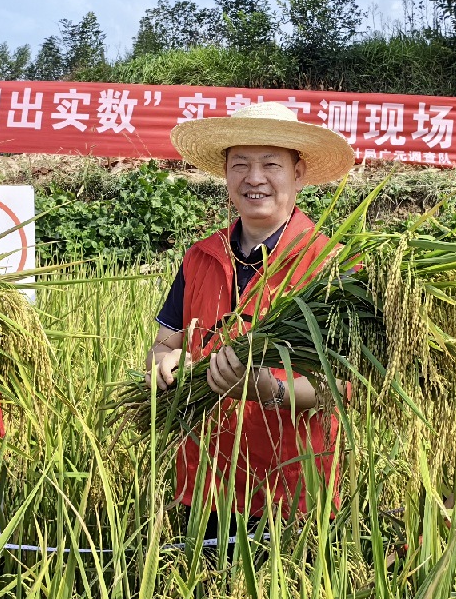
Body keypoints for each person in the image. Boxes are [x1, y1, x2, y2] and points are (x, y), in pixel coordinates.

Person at [148, 101, 356, 524]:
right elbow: (164, 342)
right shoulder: (199, 258)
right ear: (225, 174)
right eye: (239, 164)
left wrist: (269, 390)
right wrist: (164, 364)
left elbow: (344, 386)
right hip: (202, 483)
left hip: (291, 494)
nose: (254, 178)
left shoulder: (331, 266)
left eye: (270, 164)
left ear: (297, 173)